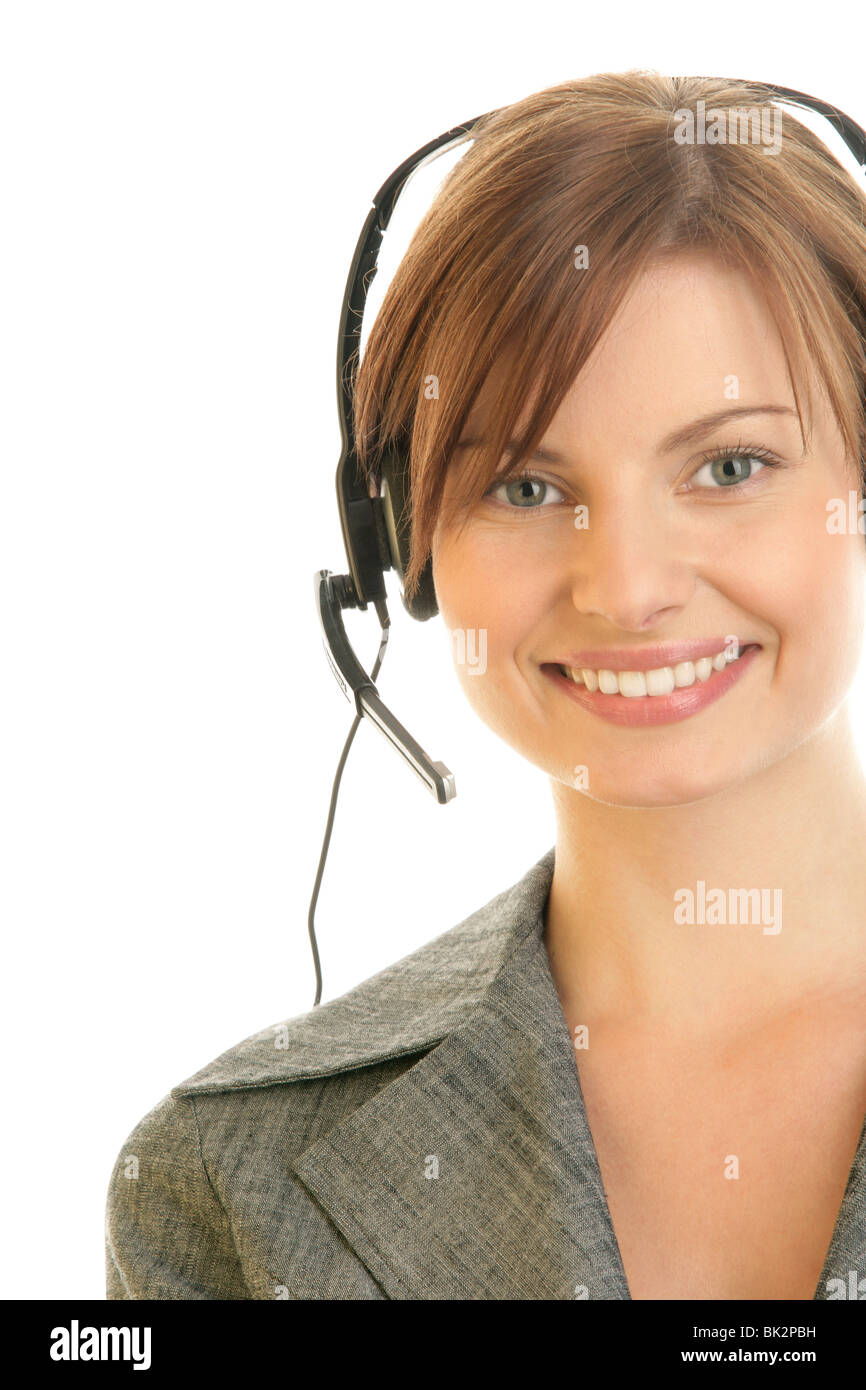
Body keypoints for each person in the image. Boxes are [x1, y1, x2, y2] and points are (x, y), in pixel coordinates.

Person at [105, 69, 866, 1300]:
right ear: (398, 548)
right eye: (522, 486)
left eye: (728, 465)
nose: (623, 586)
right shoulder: (226, 1180)